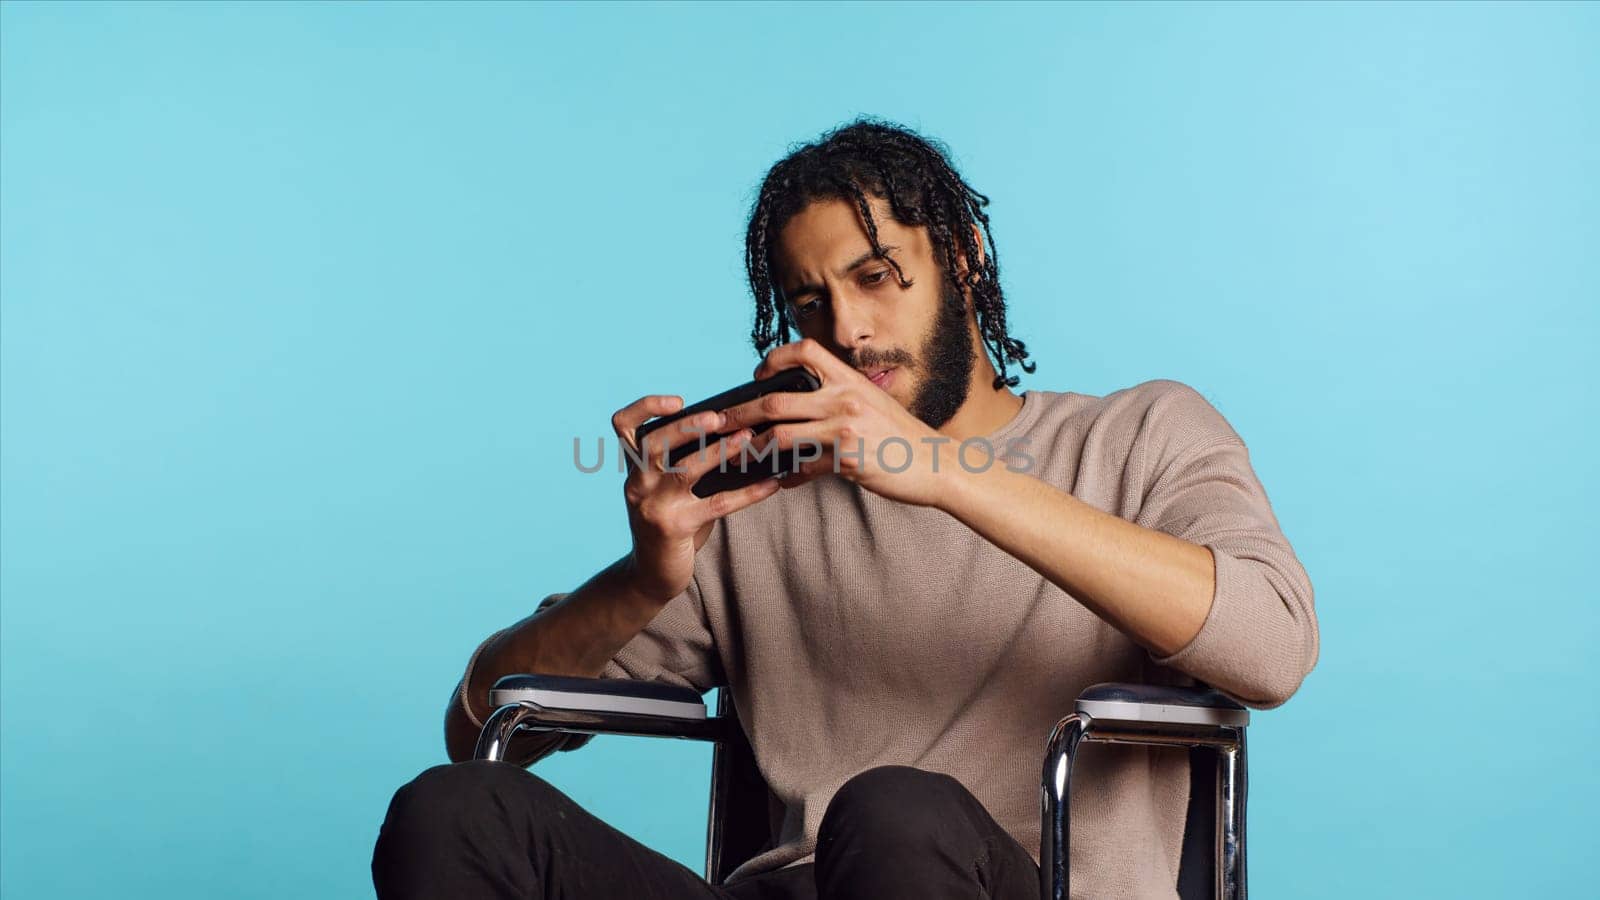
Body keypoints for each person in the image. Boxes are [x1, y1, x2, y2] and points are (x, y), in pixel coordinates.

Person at [371, 118, 1319, 900]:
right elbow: (483, 726)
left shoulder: (1142, 435)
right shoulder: (764, 499)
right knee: (454, 810)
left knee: (895, 812)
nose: (849, 329)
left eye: (875, 277)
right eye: (810, 302)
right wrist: (644, 575)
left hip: (1005, 883)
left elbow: (1272, 647)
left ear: (964, 258)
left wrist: (942, 472)